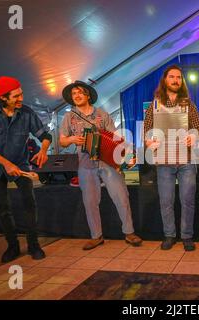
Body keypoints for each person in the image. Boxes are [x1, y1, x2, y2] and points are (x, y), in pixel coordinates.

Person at [0, 76, 51, 262]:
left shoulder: (26, 113)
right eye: (16, 96)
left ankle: (34, 245)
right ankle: (12, 246)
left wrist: (44, 149)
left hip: (21, 163)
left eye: (21, 94)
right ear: (3, 97)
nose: (21, 99)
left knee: (29, 203)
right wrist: (6, 164)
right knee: (3, 207)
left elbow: (45, 135)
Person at [59, 80, 142, 250]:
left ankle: (129, 232)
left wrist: (128, 154)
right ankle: (96, 236)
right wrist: (72, 139)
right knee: (90, 201)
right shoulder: (69, 117)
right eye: (74, 94)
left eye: (80, 92)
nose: (77, 96)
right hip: (85, 164)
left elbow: (115, 138)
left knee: (121, 196)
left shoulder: (102, 114)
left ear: (88, 95)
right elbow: (62, 141)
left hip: (106, 162)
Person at [143, 65, 199, 251]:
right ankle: (169, 235)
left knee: (187, 199)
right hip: (164, 161)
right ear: (165, 80)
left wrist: (194, 135)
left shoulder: (188, 104)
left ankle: (187, 236)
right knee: (166, 201)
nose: (176, 80)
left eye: (179, 77)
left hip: (186, 160)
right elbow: (146, 131)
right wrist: (149, 142)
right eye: (172, 77)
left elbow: (198, 128)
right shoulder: (155, 104)